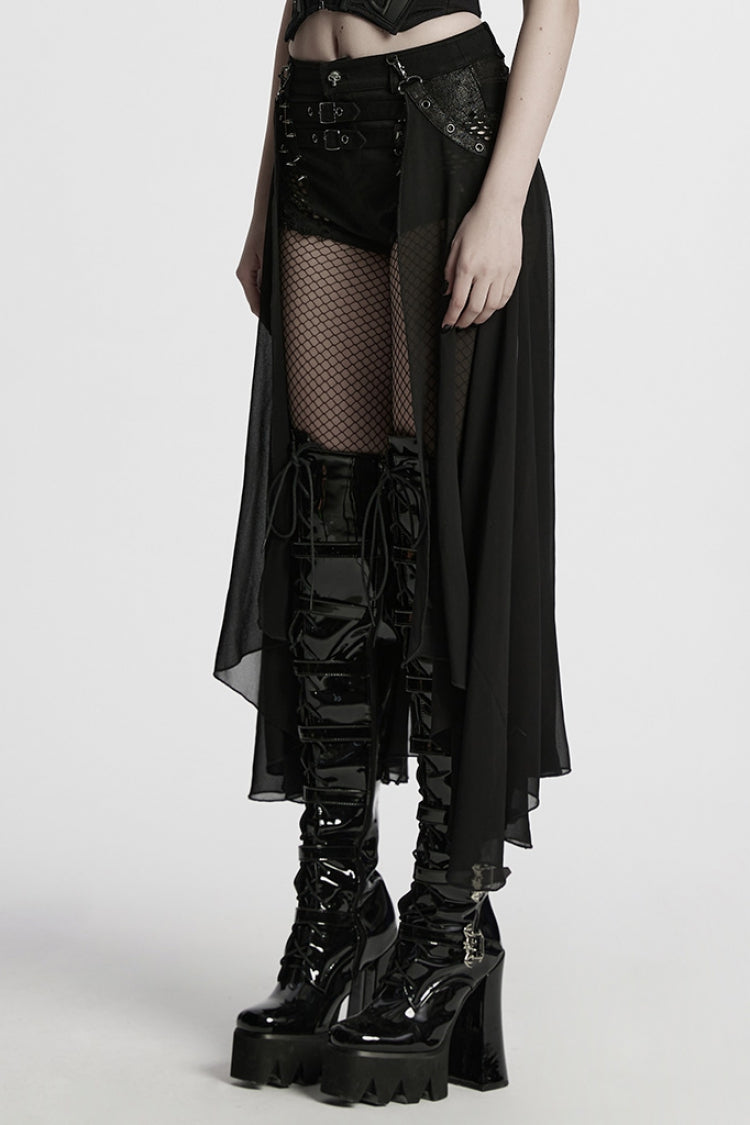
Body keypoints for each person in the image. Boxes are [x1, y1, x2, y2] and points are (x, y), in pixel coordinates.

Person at [214, 0, 578, 1106]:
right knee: (331, 537)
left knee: (430, 542)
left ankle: (447, 920)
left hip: (446, 134)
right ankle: (338, 905)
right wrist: (263, 198)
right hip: (315, 135)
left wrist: (505, 197)